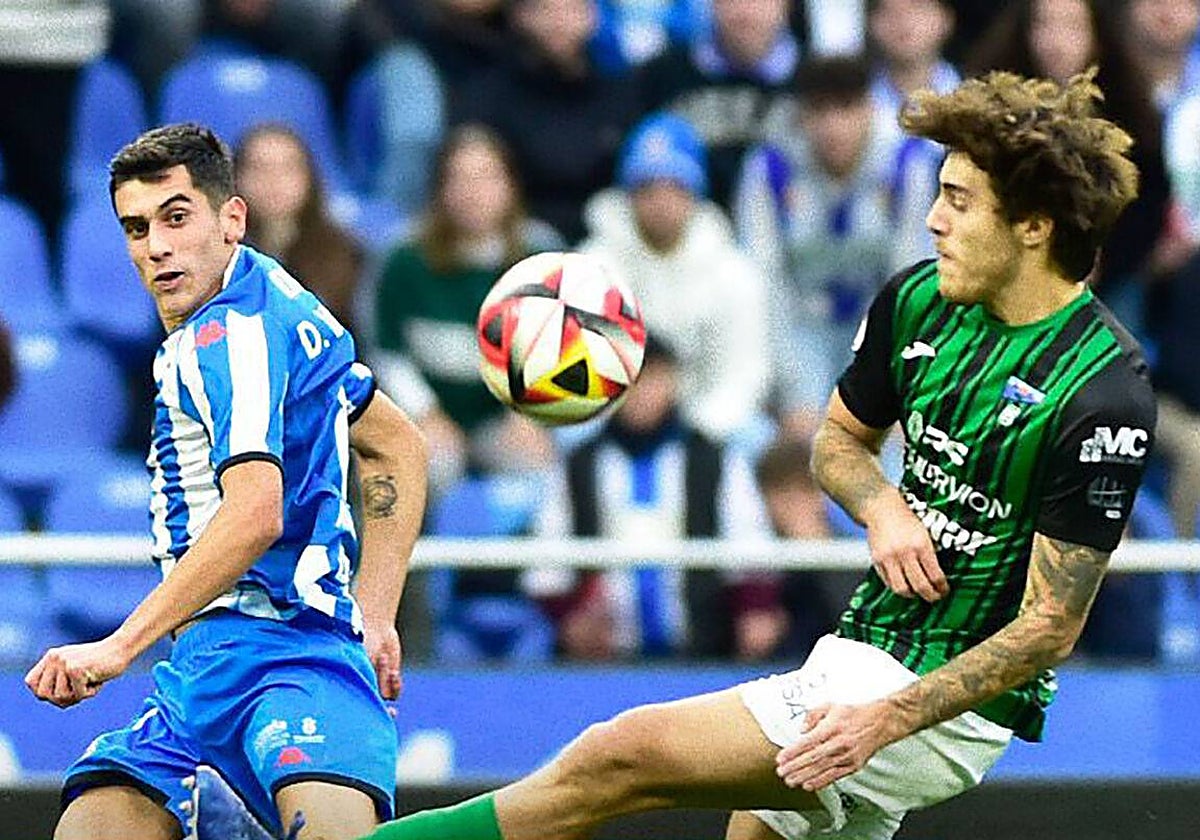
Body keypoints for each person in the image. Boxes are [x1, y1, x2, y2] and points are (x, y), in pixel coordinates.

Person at [355, 68, 1155, 840]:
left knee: (617, 757)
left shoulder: (1101, 392)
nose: (933, 220)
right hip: (864, 646)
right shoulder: (918, 301)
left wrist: (886, 720)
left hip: (944, 707)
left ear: (1034, 225)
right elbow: (838, 442)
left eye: (958, 200)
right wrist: (881, 507)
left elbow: (1051, 627)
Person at [25, 122, 428, 840]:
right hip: (199, 675)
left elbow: (255, 513)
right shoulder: (277, 297)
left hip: (295, 658)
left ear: (231, 218)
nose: (156, 246)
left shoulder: (227, 334)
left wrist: (117, 648)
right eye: (137, 228)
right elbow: (395, 443)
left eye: (177, 217)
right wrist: (376, 612)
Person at [526, 336, 770, 661]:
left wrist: (754, 610)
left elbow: (749, 543)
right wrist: (570, 619)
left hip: (703, 655)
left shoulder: (714, 460)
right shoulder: (579, 465)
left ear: (673, 382)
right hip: (604, 661)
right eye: (632, 382)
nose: (642, 394)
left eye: (653, 379)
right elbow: (548, 560)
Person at [580, 111, 770, 444]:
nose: (661, 202)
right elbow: (575, 366)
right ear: (628, 194)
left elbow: (745, 373)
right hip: (613, 419)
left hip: (702, 423)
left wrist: (696, 433)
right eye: (647, 188)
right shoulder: (592, 266)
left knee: (757, 436)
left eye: (675, 187)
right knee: (562, 433)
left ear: (695, 193)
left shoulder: (731, 271)